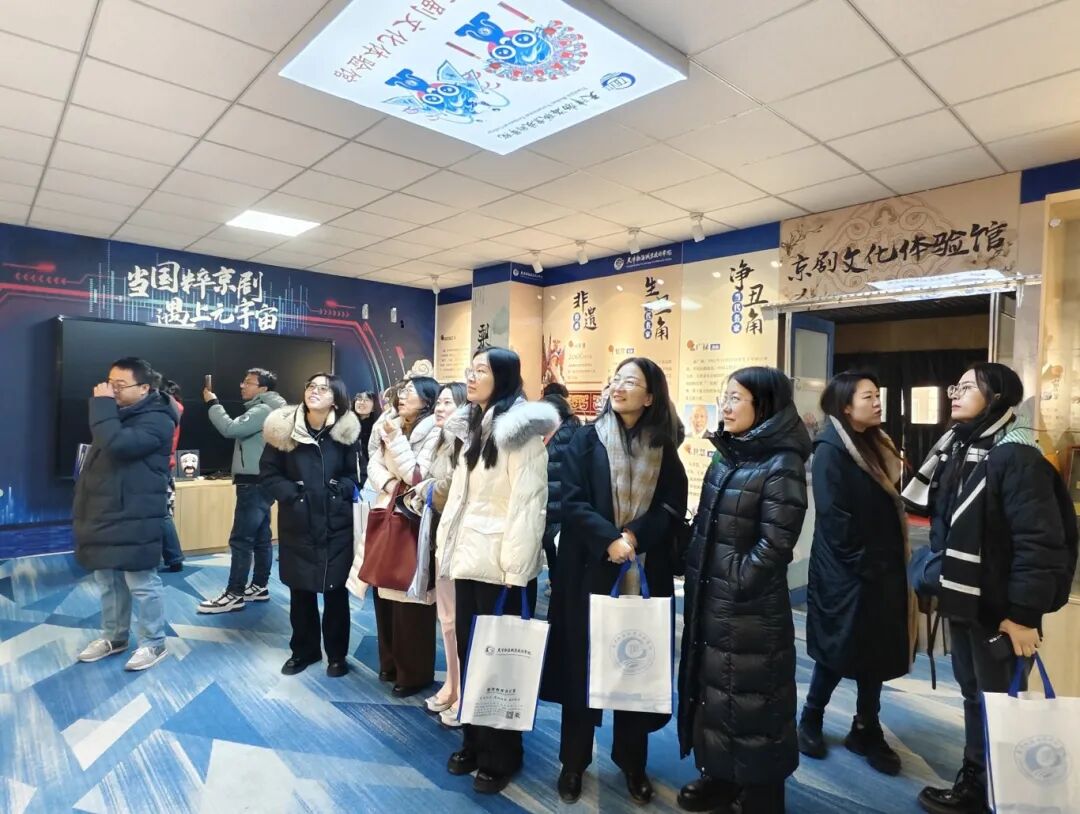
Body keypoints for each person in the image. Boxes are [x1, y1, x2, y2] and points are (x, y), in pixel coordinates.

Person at [904, 363, 1077, 814]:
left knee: (999, 700)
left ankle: (998, 790)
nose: (955, 393)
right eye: (955, 386)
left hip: (1001, 612)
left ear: (997, 397)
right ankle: (978, 781)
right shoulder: (959, 447)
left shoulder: (1016, 457)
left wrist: (1023, 615)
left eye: (967, 387)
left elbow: (1040, 544)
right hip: (968, 601)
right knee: (974, 694)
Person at [543, 358, 688, 805]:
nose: (619, 388)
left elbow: (671, 507)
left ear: (650, 396)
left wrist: (633, 537)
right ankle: (573, 762)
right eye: (616, 380)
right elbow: (571, 500)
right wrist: (608, 539)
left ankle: (632, 763)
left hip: (641, 571)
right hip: (587, 568)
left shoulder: (664, 446)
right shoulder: (586, 439)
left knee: (634, 664)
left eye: (631, 382)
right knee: (581, 668)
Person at [677, 367, 811, 814]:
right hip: (710, 598)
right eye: (725, 397)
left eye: (736, 398)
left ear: (764, 404)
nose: (726, 406)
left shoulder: (782, 463)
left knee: (755, 701)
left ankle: (761, 795)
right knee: (716, 695)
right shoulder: (728, 455)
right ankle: (720, 776)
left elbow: (775, 545)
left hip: (750, 610)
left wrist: (735, 581)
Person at [438, 347, 559, 795]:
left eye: (481, 371)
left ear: (503, 377)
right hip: (469, 557)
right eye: (470, 370)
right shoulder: (474, 424)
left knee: (501, 664)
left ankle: (502, 755)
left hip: (502, 565)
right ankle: (473, 741)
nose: (470, 378)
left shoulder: (519, 431)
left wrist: (516, 572)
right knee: (472, 655)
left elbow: (529, 504)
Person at [799, 372, 909, 776]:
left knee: (876, 650)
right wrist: (867, 564)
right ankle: (811, 717)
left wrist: (885, 565)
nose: (877, 402)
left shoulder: (876, 442)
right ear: (846, 406)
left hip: (881, 567)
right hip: (844, 569)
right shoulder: (830, 449)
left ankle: (866, 727)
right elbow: (835, 520)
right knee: (837, 646)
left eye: (878, 395)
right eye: (868, 397)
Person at [74, 357, 179, 672]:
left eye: (120, 385)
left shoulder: (159, 418)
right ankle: (114, 637)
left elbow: (117, 445)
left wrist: (102, 405)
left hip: (136, 512)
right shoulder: (121, 413)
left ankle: (154, 642)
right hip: (105, 509)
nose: (112, 390)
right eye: (110, 383)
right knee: (107, 579)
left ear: (144, 388)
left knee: (141, 581)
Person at [260, 373, 362, 677]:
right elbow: (268, 473)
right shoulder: (283, 430)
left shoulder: (346, 433)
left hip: (336, 522)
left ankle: (337, 655)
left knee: (336, 591)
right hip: (298, 520)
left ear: (336, 399)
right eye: (310, 386)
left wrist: (339, 491)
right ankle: (304, 651)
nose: (314, 391)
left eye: (323, 388)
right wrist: (293, 495)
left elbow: (356, 474)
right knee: (300, 590)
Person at [367, 376, 443, 697]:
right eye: (402, 391)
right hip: (387, 511)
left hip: (415, 518)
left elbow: (416, 474)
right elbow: (373, 463)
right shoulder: (391, 424)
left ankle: (414, 673)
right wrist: (389, 484)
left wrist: (396, 443)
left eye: (410, 392)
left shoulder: (435, 430)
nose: (402, 396)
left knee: (411, 599)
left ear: (427, 399)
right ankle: (390, 663)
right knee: (383, 591)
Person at [198, 368, 286, 613]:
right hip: (263, 479)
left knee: (241, 539)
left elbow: (230, 429)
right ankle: (259, 586)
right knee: (260, 537)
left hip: (254, 481)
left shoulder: (263, 410)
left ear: (263, 388)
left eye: (248, 382)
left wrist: (213, 403)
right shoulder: (272, 408)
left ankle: (234, 593)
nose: (242, 386)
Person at [414, 381, 468, 725]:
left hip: (460, 539)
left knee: (458, 619)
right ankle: (452, 683)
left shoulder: (465, 441)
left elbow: (450, 488)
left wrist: (425, 490)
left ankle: (463, 691)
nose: (440, 408)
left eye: (448, 402)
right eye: (439, 402)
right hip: (439, 534)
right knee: (446, 619)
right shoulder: (440, 438)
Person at [540, 392, 581, 582]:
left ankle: (557, 584)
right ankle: (555, 582)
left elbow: (554, 469)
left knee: (558, 551)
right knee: (552, 549)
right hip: (551, 503)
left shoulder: (565, 434)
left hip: (559, 504)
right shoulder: (553, 432)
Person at [158, 377, 185, 573]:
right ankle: (173, 557)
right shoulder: (175, 410)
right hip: (166, 464)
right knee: (162, 512)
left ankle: (174, 557)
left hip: (158, 465)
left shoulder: (164, 411)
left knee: (161, 513)